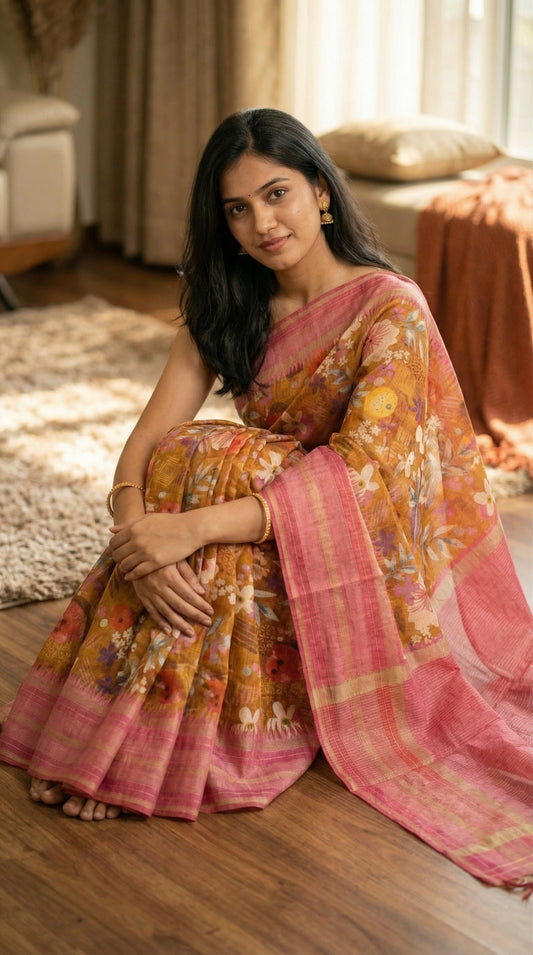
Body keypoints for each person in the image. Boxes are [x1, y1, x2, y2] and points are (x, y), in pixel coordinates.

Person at [0, 108, 531, 892]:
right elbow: (144, 444)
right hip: (268, 537)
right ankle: (124, 749)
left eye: (277, 194)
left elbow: (357, 474)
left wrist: (187, 529)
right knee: (189, 454)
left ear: (320, 192)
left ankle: (119, 751)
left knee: (212, 462)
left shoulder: (389, 307)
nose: (261, 224)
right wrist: (139, 539)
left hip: (359, 553)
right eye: (237, 210)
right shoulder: (229, 300)